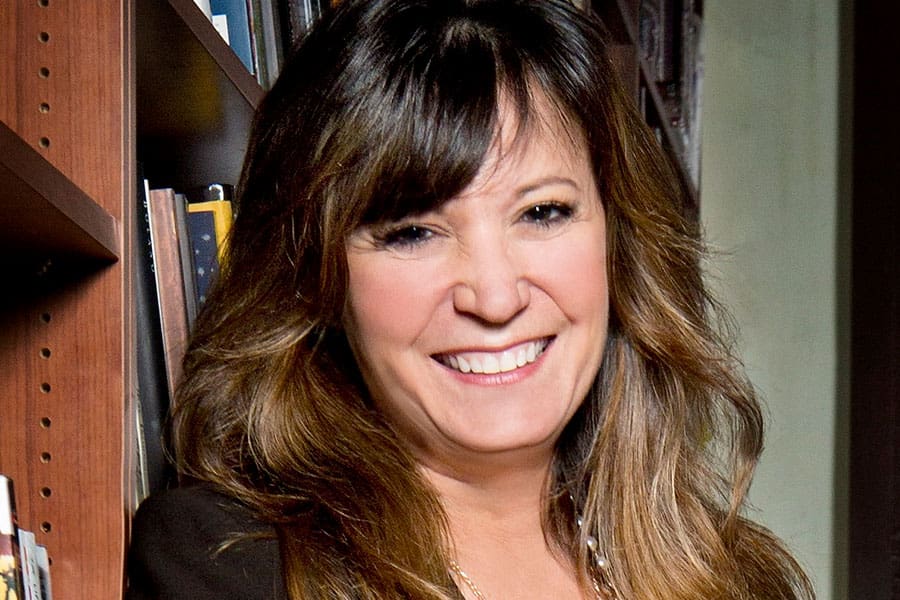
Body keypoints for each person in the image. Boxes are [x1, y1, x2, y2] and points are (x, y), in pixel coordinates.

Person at [126, 0, 815, 598]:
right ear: (318, 278)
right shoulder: (233, 563)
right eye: (412, 232)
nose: (494, 296)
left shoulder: (739, 576)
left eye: (542, 212)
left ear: (617, 243)